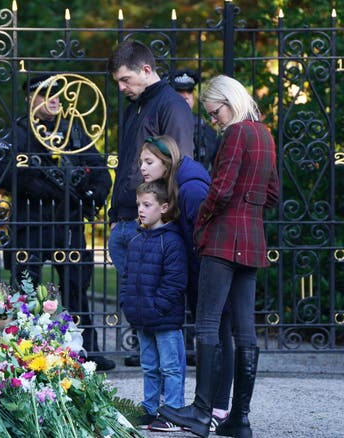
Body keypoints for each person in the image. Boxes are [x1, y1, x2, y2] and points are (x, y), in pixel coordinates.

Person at [158, 75, 280, 438]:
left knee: (208, 323)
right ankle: (238, 420)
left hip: (224, 238)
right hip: (252, 239)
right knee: (245, 331)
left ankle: (200, 412)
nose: (214, 121)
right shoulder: (264, 134)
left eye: (215, 113)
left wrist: (202, 222)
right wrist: (249, 204)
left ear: (229, 101)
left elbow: (221, 188)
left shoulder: (235, 133)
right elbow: (272, 194)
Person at [0, 73, 115, 371]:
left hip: (68, 223)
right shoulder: (19, 132)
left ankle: (87, 350)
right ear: (31, 98)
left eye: (58, 92)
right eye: (47, 93)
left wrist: (92, 196)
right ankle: (27, 350)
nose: (55, 98)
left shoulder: (73, 130)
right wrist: (36, 185)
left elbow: (99, 169)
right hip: (31, 223)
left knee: (75, 287)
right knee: (27, 288)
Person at [107, 40, 195, 367]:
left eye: (125, 79)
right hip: (128, 221)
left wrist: (158, 220)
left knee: (161, 309)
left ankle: (168, 392)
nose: (120, 87)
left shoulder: (171, 106)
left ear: (146, 70)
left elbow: (177, 166)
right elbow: (130, 163)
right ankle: (150, 393)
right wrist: (117, 216)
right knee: (142, 305)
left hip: (152, 224)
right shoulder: (136, 104)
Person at [139, 135, 234, 431]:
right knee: (215, 334)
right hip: (200, 271)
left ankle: (219, 408)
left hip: (211, 270)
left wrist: (203, 276)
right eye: (141, 161)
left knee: (219, 335)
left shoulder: (190, 188)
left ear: (166, 162)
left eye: (149, 162)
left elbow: (206, 235)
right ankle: (212, 408)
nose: (142, 167)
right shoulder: (175, 183)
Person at [117, 180, 187, 432]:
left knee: (170, 367)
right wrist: (128, 303)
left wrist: (157, 307)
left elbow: (175, 281)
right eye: (139, 205)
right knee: (149, 366)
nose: (141, 210)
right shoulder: (136, 240)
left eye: (147, 204)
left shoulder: (171, 241)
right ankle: (149, 408)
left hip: (164, 319)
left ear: (164, 207)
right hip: (142, 318)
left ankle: (174, 411)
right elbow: (127, 277)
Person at [170, 70, 221, 171]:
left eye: (189, 91)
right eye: (180, 91)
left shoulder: (208, 131)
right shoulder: (164, 124)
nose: (186, 96)